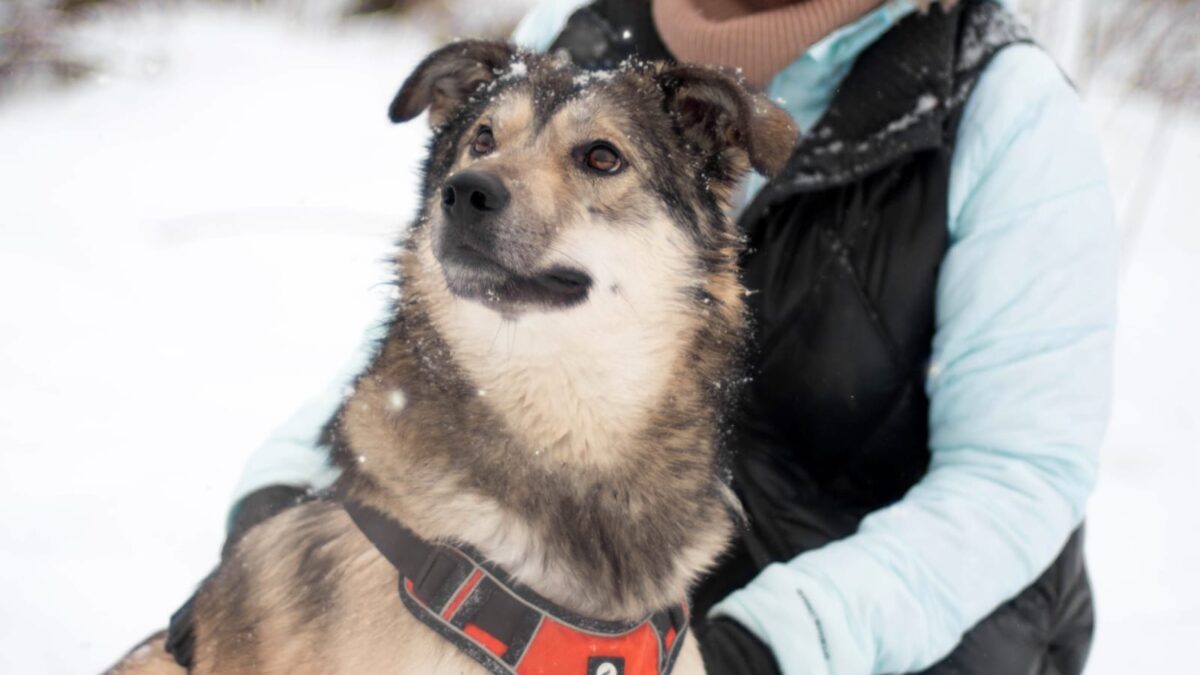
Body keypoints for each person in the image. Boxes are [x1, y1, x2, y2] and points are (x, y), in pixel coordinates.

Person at [224, 1, 1117, 673]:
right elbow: (430, 337)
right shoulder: (579, 30)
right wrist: (283, 515)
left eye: (599, 158)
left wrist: (761, 645)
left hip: (903, 630)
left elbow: (1019, 474)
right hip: (591, 618)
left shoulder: (998, 103)